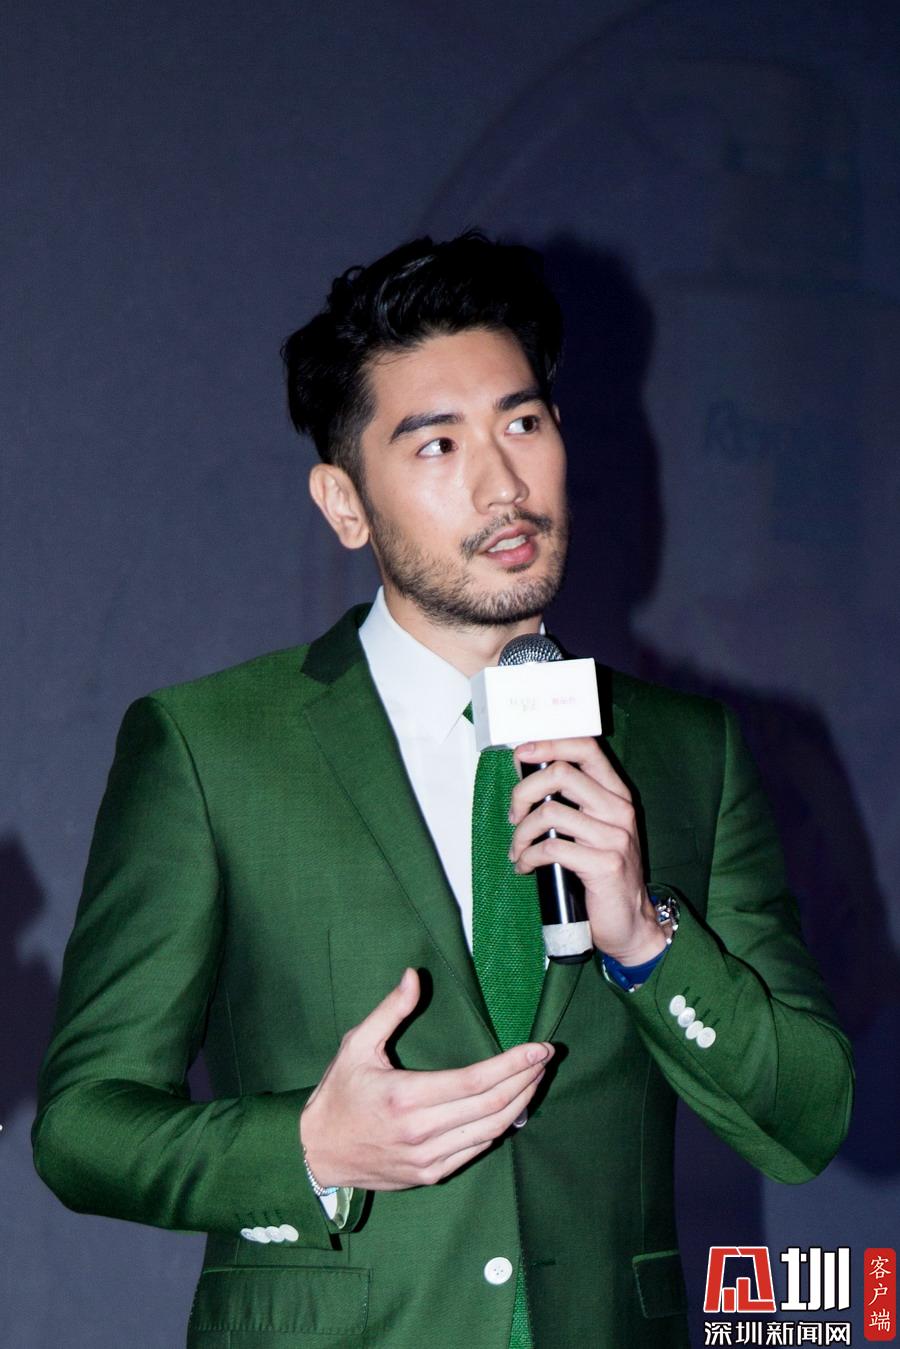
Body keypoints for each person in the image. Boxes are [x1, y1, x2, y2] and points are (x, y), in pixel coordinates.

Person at [33, 232, 853, 1349]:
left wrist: (646, 940)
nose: (502, 483)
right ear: (345, 502)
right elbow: (82, 1127)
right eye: (437, 443)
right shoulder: (210, 747)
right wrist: (309, 1149)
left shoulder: (684, 750)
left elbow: (809, 1117)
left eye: (524, 423)